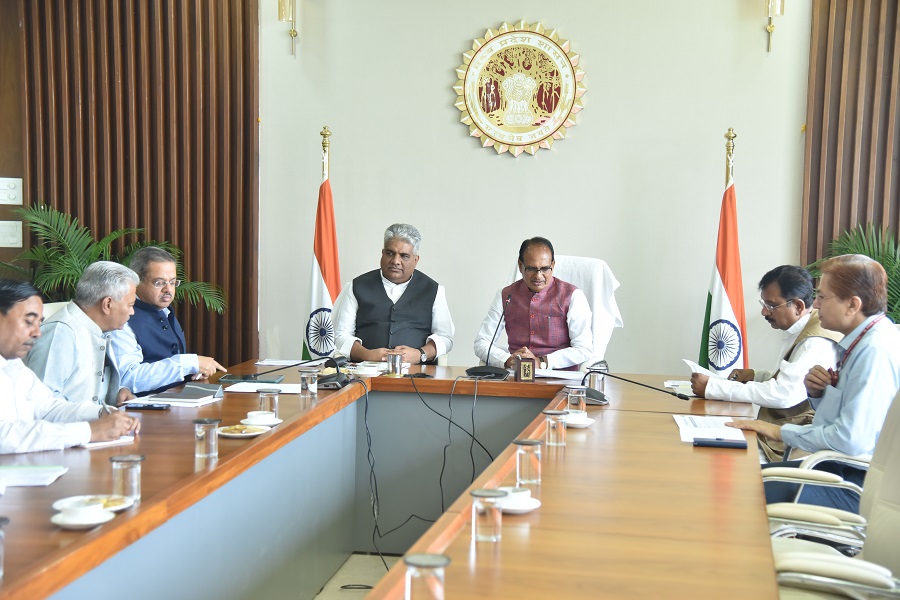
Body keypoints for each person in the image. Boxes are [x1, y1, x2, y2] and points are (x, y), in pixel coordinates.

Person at [728, 254, 900, 511]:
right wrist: (817, 394)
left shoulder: (874, 351)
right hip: (837, 466)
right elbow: (840, 420)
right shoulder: (861, 341)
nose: (815, 305)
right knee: (742, 475)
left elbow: (850, 439)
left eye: (822, 297)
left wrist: (777, 431)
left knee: (742, 486)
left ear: (852, 305)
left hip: (853, 482)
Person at [691, 265, 842, 461]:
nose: (764, 312)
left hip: (795, 443)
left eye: (771, 305)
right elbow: (790, 379)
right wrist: (755, 375)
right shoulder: (803, 328)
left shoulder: (815, 343)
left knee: (718, 457)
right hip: (784, 429)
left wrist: (713, 387)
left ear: (797, 306)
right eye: (764, 303)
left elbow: (784, 394)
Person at [0, 279, 139, 454]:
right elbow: (4, 436)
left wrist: (100, 414)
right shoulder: (61, 330)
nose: (37, 333)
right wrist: (90, 431)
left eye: (38, 323)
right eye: (28, 322)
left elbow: (49, 407)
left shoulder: (13, 365)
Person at [108, 247, 226, 394]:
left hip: (178, 398)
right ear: (136, 282)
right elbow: (128, 379)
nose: (168, 289)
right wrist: (187, 364)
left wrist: (193, 371)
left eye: (172, 282)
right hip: (143, 405)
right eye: (159, 282)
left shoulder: (165, 311)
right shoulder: (122, 319)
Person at [332, 223, 454, 364]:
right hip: (365, 371)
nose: (395, 261)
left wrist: (420, 354)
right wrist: (366, 355)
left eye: (404, 256)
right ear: (382, 253)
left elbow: (446, 338)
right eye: (390, 253)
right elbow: (341, 334)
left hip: (417, 372)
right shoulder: (356, 286)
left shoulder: (433, 290)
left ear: (416, 259)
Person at [26, 261, 138, 407]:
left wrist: (118, 391)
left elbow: (85, 388)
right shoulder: (60, 333)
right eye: (130, 305)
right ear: (108, 304)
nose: (132, 312)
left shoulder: (98, 329)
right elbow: (42, 402)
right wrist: (97, 414)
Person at [474, 237, 593, 371]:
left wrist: (542, 362)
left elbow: (584, 349)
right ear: (520, 266)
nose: (538, 276)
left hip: (561, 378)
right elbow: (481, 342)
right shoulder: (506, 295)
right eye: (531, 269)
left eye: (545, 269)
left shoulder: (573, 296)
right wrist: (506, 360)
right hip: (516, 376)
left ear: (553, 265)